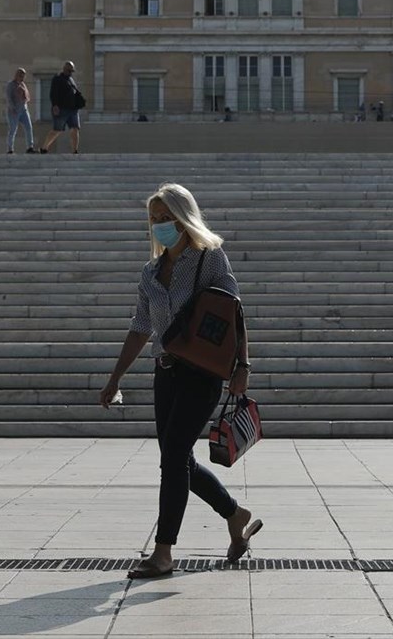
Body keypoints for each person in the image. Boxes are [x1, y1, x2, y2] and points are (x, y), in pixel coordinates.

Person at [99, 182, 262, 579]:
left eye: (166, 218)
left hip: (202, 372)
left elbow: (234, 313)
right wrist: (114, 378)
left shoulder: (209, 258)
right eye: (154, 219)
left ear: (184, 218)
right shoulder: (151, 272)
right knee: (179, 459)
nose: (159, 226)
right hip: (166, 372)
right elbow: (140, 328)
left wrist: (242, 368)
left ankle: (163, 552)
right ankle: (235, 514)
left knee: (173, 455)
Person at [40, 61, 84, 154]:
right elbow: (53, 93)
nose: (70, 73)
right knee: (57, 130)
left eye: (72, 71)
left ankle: (75, 150)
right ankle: (44, 147)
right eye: (69, 70)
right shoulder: (57, 79)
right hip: (62, 109)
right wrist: (55, 105)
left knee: (75, 128)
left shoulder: (71, 80)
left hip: (73, 109)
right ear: (64, 69)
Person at [4, 68, 35, 154]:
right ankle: (10, 149)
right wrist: (12, 107)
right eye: (20, 75)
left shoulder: (23, 85)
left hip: (24, 110)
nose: (22, 78)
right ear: (16, 75)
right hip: (14, 110)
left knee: (28, 127)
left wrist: (24, 96)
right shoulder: (11, 85)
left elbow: (27, 97)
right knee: (13, 129)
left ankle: (30, 147)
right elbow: (8, 97)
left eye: (23, 76)